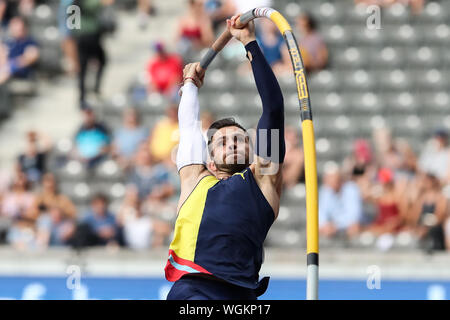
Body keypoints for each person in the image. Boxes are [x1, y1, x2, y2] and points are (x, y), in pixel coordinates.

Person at [165, 15, 285, 300]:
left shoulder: (262, 179)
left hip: (239, 295)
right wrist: (190, 87)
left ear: (250, 149)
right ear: (210, 159)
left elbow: (273, 109)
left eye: (239, 140)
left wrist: (251, 44)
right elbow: (189, 127)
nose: (232, 144)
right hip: (192, 289)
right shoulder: (194, 179)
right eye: (222, 142)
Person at [318, 165, 363, 239]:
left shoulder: (351, 189)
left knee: (354, 227)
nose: (331, 181)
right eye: (328, 179)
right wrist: (326, 225)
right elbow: (321, 213)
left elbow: (354, 216)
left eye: (333, 178)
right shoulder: (325, 191)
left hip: (347, 226)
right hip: (333, 226)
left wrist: (336, 225)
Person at [408, 173, 447, 251]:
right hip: (422, 226)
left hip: (434, 228)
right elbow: (414, 216)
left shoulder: (440, 197)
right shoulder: (421, 198)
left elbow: (440, 216)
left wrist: (426, 228)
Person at [0, 15, 40, 84]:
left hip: (20, 71)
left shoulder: (29, 42)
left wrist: (12, 65)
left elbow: (31, 57)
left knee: (4, 72)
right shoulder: (9, 41)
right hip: (5, 68)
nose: (14, 28)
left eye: (16, 25)